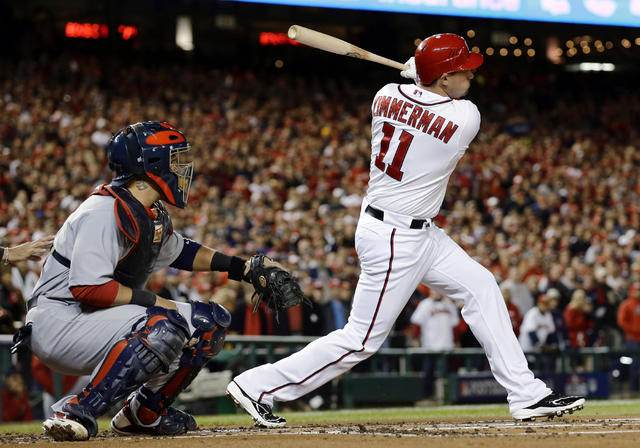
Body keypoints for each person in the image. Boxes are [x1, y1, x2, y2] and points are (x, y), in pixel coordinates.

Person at [226, 34, 584, 426]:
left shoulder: (384, 95)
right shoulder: (464, 118)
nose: (471, 74)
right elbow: (440, 101)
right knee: (361, 339)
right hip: (395, 238)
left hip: (415, 231)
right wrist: (422, 75)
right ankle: (257, 386)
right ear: (444, 79)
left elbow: (414, 93)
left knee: (481, 286)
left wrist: (422, 75)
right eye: (462, 69)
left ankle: (526, 394)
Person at [22, 121, 284, 441]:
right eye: (176, 159)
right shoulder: (103, 210)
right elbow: (88, 289)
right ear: (152, 163)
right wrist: (154, 301)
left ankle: (143, 414)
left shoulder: (148, 210)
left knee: (209, 322)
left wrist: (241, 268)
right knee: (164, 323)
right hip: (58, 321)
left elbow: (181, 252)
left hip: (91, 319)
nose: (183, 167)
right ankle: (77, 409)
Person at [410, 292, 459, 397]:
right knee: (429, 372)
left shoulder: (450, 305)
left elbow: (455, 325)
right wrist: (415, 339)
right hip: (430, 345)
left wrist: (456, 341)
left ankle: (449, 396)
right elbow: (416, 323)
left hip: (447, 345)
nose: (436, 292)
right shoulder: (425, 304)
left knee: (449, 372)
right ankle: (427, 396)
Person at [617, 282, 640, 392]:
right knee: (634, 364)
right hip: (632, 338)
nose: (638, 293)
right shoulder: (627, 304)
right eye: (636, 290)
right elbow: (622, 321)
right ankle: (634, 390)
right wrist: (634, 329)